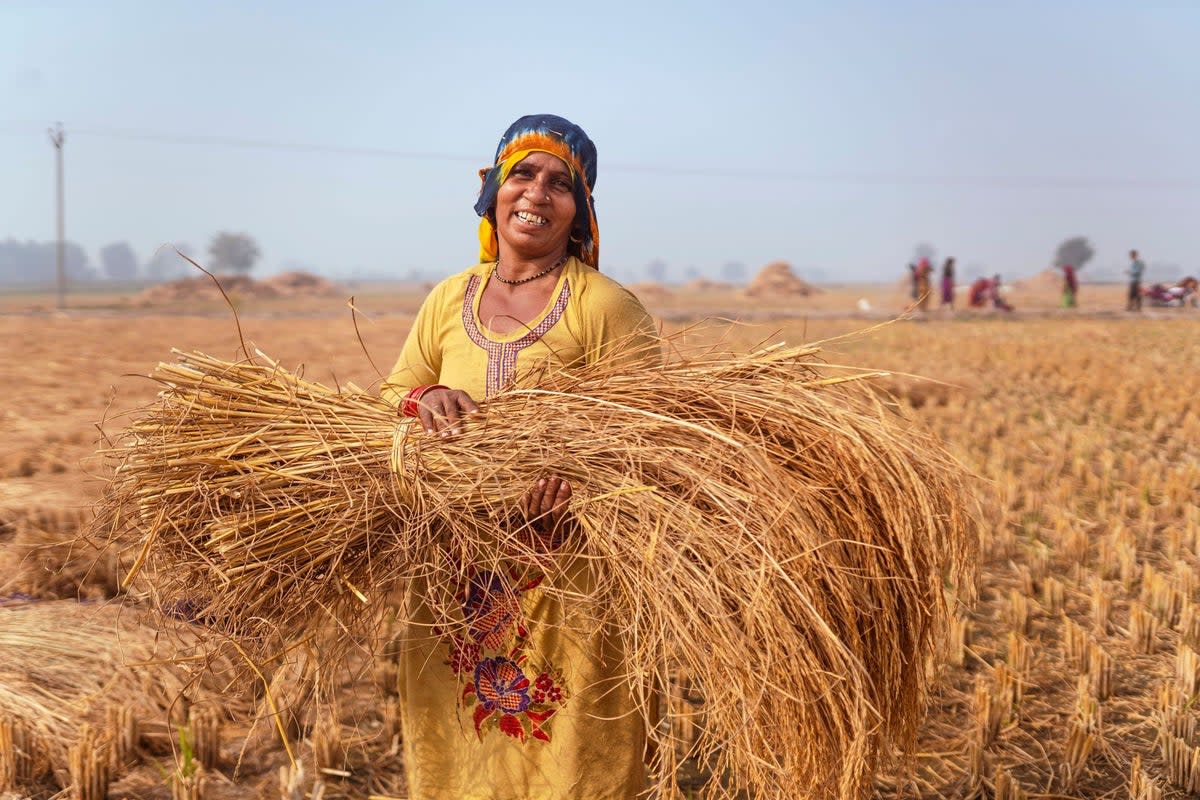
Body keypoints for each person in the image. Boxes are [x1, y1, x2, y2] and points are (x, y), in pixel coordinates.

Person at [380, 114, 661, 800]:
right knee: (458, 751)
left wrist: (578, 475)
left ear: (580, 210)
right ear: (492, 193)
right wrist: (425, 399)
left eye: (560, 183)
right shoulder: (451, 298)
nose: (538, 192)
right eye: (523, 174)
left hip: (567, 582)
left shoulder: (606, 306)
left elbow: (652, 438)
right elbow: (390, 395)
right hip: (453, 577)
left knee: (570, 756)